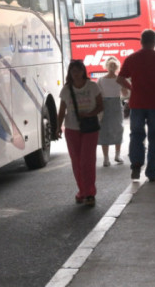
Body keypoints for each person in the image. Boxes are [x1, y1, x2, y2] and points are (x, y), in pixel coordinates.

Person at [117, 29, 155, 182]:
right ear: (154, 41)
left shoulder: (132, 58)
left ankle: (136, 165)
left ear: (141, 41)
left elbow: (120, 79)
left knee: (136, 135)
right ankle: (151, 171)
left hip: (137, 104)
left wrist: (132, 88)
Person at [56, 60, 103, 207]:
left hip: (90, 129)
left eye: (78, 70)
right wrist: (58, 127)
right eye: (73, 71)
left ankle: (90, 193)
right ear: (70, 73)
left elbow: (101, 106)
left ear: (83, 71)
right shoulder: (66, 90)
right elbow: (62, 110)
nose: (76, 74)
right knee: (76, 162)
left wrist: (89, 114)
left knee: (86, 162)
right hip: (71, 129)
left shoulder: (92, 86)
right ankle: (82, 191)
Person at [97, 57, 128, 166]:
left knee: (104, 130)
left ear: (106, 66)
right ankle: (117, 155)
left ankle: (106, 159)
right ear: (117, 67)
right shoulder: (120, 79)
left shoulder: (100, 80)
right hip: (116, 105)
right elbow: (124, 94)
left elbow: (98, 95)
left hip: (104, 106)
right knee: (118, 129)